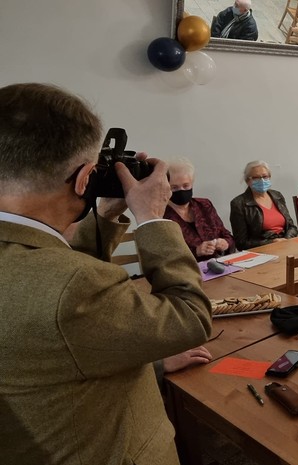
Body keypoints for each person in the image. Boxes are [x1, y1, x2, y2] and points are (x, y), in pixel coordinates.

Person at [0, 83, 212, 463]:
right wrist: (151, 217)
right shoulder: (75, 286)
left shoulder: (32, 266)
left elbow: (56, 334)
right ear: (86, 178)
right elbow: (190, 318)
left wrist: (104, 215)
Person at [163, 158, 236, 261]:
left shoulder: (204, 205)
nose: (181, 190)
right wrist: (196, 251)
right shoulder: (161, 215)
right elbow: (164, 256)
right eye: (174, 187)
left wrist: (226, 243)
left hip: (218, 264)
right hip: (187, 269)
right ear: (166, 187)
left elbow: (226, 235)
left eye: (186, 185)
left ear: (192, 183)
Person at [230, 160, 298, 249]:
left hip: (286, 244)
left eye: (265, 176)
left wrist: (285, 240)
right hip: (263, 250)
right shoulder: (238, 204)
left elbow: (292, 227)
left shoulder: (277, 196)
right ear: (247, 181)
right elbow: (241, 242)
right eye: (256, 178)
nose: (262, 180)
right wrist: (271, 243)